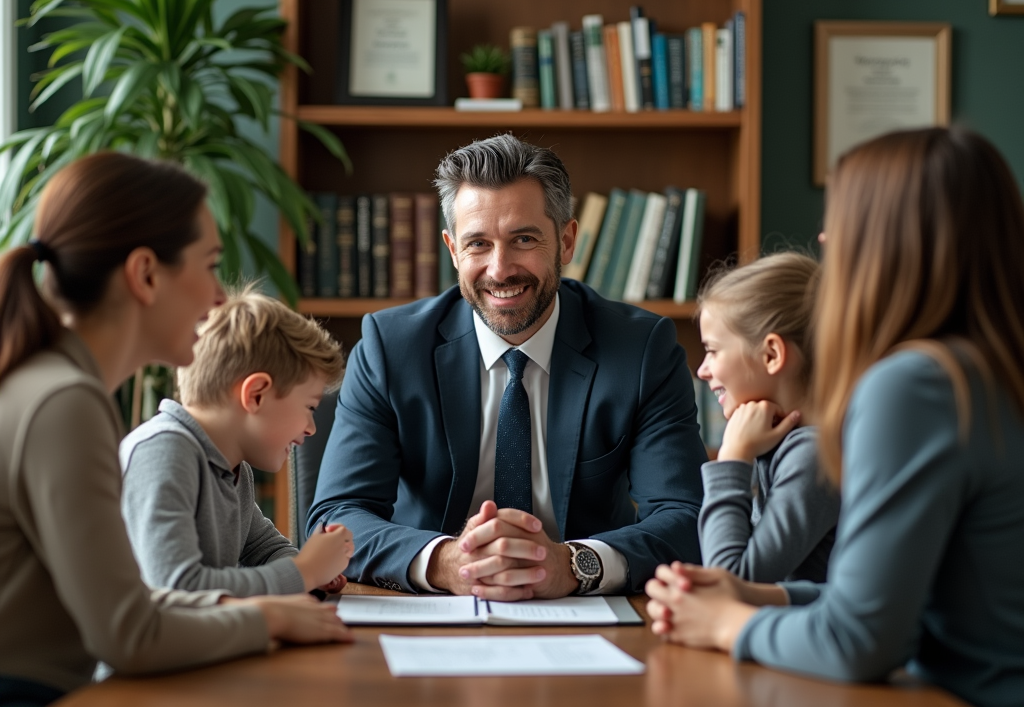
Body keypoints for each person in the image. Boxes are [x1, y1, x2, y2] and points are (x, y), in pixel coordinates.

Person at [645, 127, 1024, 707]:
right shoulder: (988, 370)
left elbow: (858, 642)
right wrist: (761, 597)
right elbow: (903, 605)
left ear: (893, 243)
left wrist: (725, 623)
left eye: (843, 221)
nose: (824, 237)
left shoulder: (915, 386)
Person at [0, 152, 350, 707]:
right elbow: (129, 634)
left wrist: (269, 603)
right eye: (210, 264)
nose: (218, 297)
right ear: (145, 274)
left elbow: (138, 606)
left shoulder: (56, 388)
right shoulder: (65, 404)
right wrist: (267, 620)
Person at [309, 133, 706, 599]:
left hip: (586, 615)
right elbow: (335, 519)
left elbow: (687, 517)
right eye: (478, 244)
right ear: (453, 249)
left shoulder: (640, 349)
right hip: (426, 614)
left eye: (523, 239)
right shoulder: (390, 348)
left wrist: (573, 564)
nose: (500, 269)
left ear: (566, 240)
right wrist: (443, 562)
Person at [120, 289, 353, 598]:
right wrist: (304, 571)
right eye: (310, 407)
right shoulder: (163, 452)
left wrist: (311, 569)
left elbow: (266, 550)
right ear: (256, 394)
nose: (311, 428)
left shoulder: (231, 468)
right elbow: (178, 588)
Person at [695, 252, 839, 583]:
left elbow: (730, 581)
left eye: (713, 350)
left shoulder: (813, 456)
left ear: (771, 355)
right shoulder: (785, 444)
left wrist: (732, 457)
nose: (702, 370)